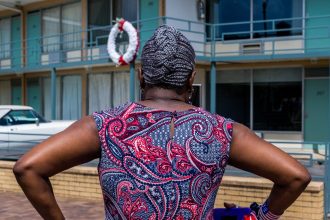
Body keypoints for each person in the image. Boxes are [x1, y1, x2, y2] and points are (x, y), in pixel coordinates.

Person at [13, 25, 310, 220]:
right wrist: (260, 217)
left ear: (142, 76)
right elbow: (296, 177)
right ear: (191, 79)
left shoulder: (105, 126)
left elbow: (28, 168)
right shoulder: (223, 131)